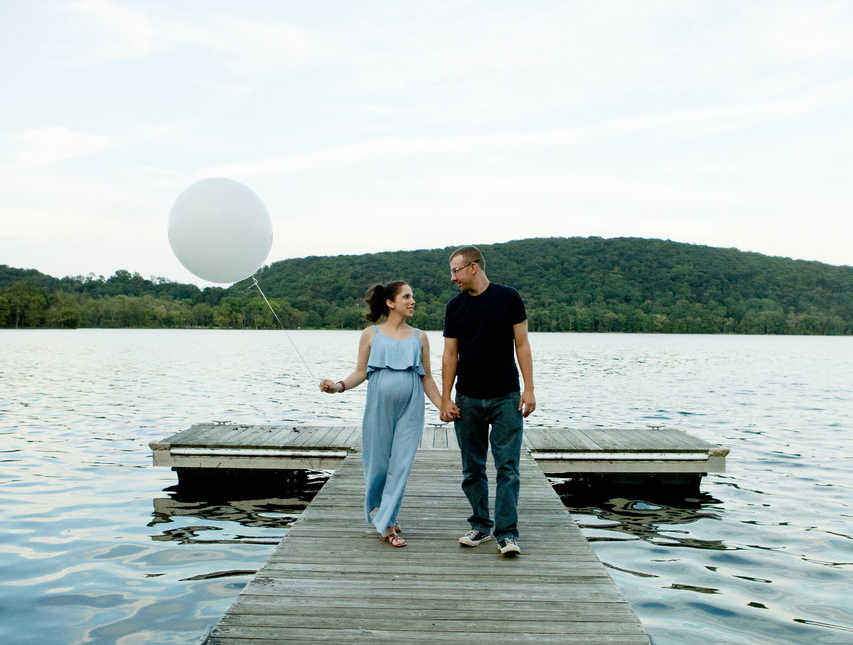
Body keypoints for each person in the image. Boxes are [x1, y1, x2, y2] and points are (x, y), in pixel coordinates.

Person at [321, 281, 442, 548]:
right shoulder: (370, 334)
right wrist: (337, 387)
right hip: (378, 406)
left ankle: (387, 523)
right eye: (407, 297)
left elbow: (428, 377)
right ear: (390, 302)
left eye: (413, 296)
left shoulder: (419, 337)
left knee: (401, 464)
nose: (412, 301)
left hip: (411, 406)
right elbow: (360, 372)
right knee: (378, 464)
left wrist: (444, 405)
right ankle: (384, 512)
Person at [440, 246, 535, 556]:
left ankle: (507, 534)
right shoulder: (455, 307)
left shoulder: (509, 298)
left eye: (456, 270)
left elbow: (521, 344)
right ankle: (480, 525)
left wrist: (529, 388)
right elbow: (450, 355)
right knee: (472, 468)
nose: (452, 277)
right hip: (467, 398)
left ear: (474, 267)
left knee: (508, 468)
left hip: (506, 396)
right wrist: (445, 398)